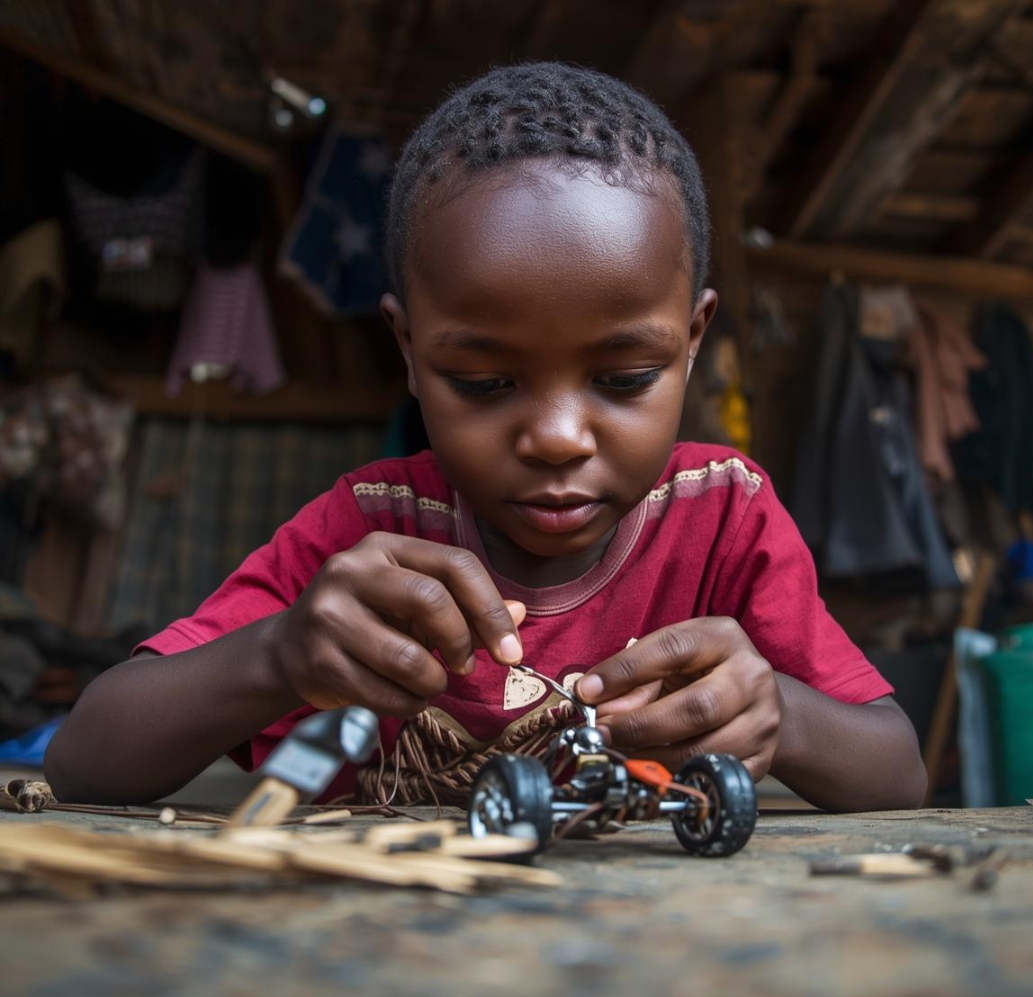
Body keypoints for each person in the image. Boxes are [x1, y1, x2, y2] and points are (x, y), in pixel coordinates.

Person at [46, 63, 926, 812]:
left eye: (623, 379)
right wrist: (278, 656)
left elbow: (898, 775)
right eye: (483, 382)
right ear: (409, 351)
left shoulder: (721, 518)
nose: (555, 437)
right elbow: (84, 762)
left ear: (692, 343)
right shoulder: (366, 535)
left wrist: (781, 712)